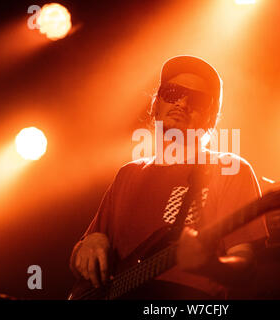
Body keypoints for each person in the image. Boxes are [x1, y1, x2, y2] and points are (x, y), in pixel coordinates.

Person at [69, 55, 268, 299]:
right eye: (173, 92)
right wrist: (89, 243)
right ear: (156, 104)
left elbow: (246, 265)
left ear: (210, 118)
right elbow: (77, 261)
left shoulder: (229, 169)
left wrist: (211, 266)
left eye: (197, 100)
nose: (182, 104)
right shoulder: (128, 174)